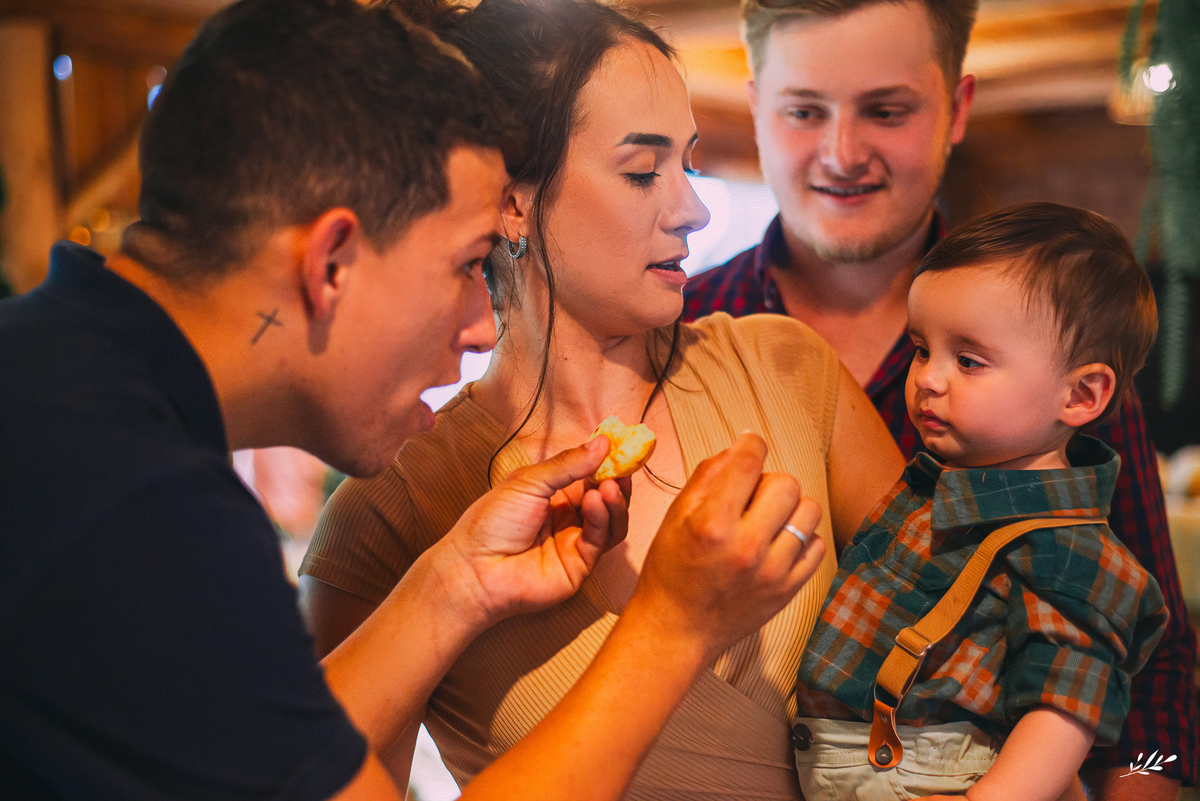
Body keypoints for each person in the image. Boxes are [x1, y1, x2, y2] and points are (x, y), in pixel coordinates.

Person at [0, 0, 834, 798]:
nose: (479, 325)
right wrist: (672, 627)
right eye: (467, 266)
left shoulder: (62, 388)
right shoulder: (134, 507)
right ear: (331, 262)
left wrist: (454, 585)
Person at [297, 0, 905, 797]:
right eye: (642, 170)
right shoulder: (396, 514)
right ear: (510, 199)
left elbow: (958, 626)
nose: (693, 209)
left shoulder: (787, 369)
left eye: (687, 164)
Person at [681, 1, 1199, 796]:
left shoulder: (1058, 368)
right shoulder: (681, 332)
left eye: (886, 110)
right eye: (802, 111)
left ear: (957, 109)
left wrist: (1143, 778)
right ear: (754, 108)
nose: (841, 152)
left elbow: (1154, 679)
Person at [792, 203, 1168, 800]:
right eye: (921, 349)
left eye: (968, 361)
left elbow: (1066, 705)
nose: (929, 379)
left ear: (1081, 395)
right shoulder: (945, 485)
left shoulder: (1067, 547)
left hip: (928, 775)